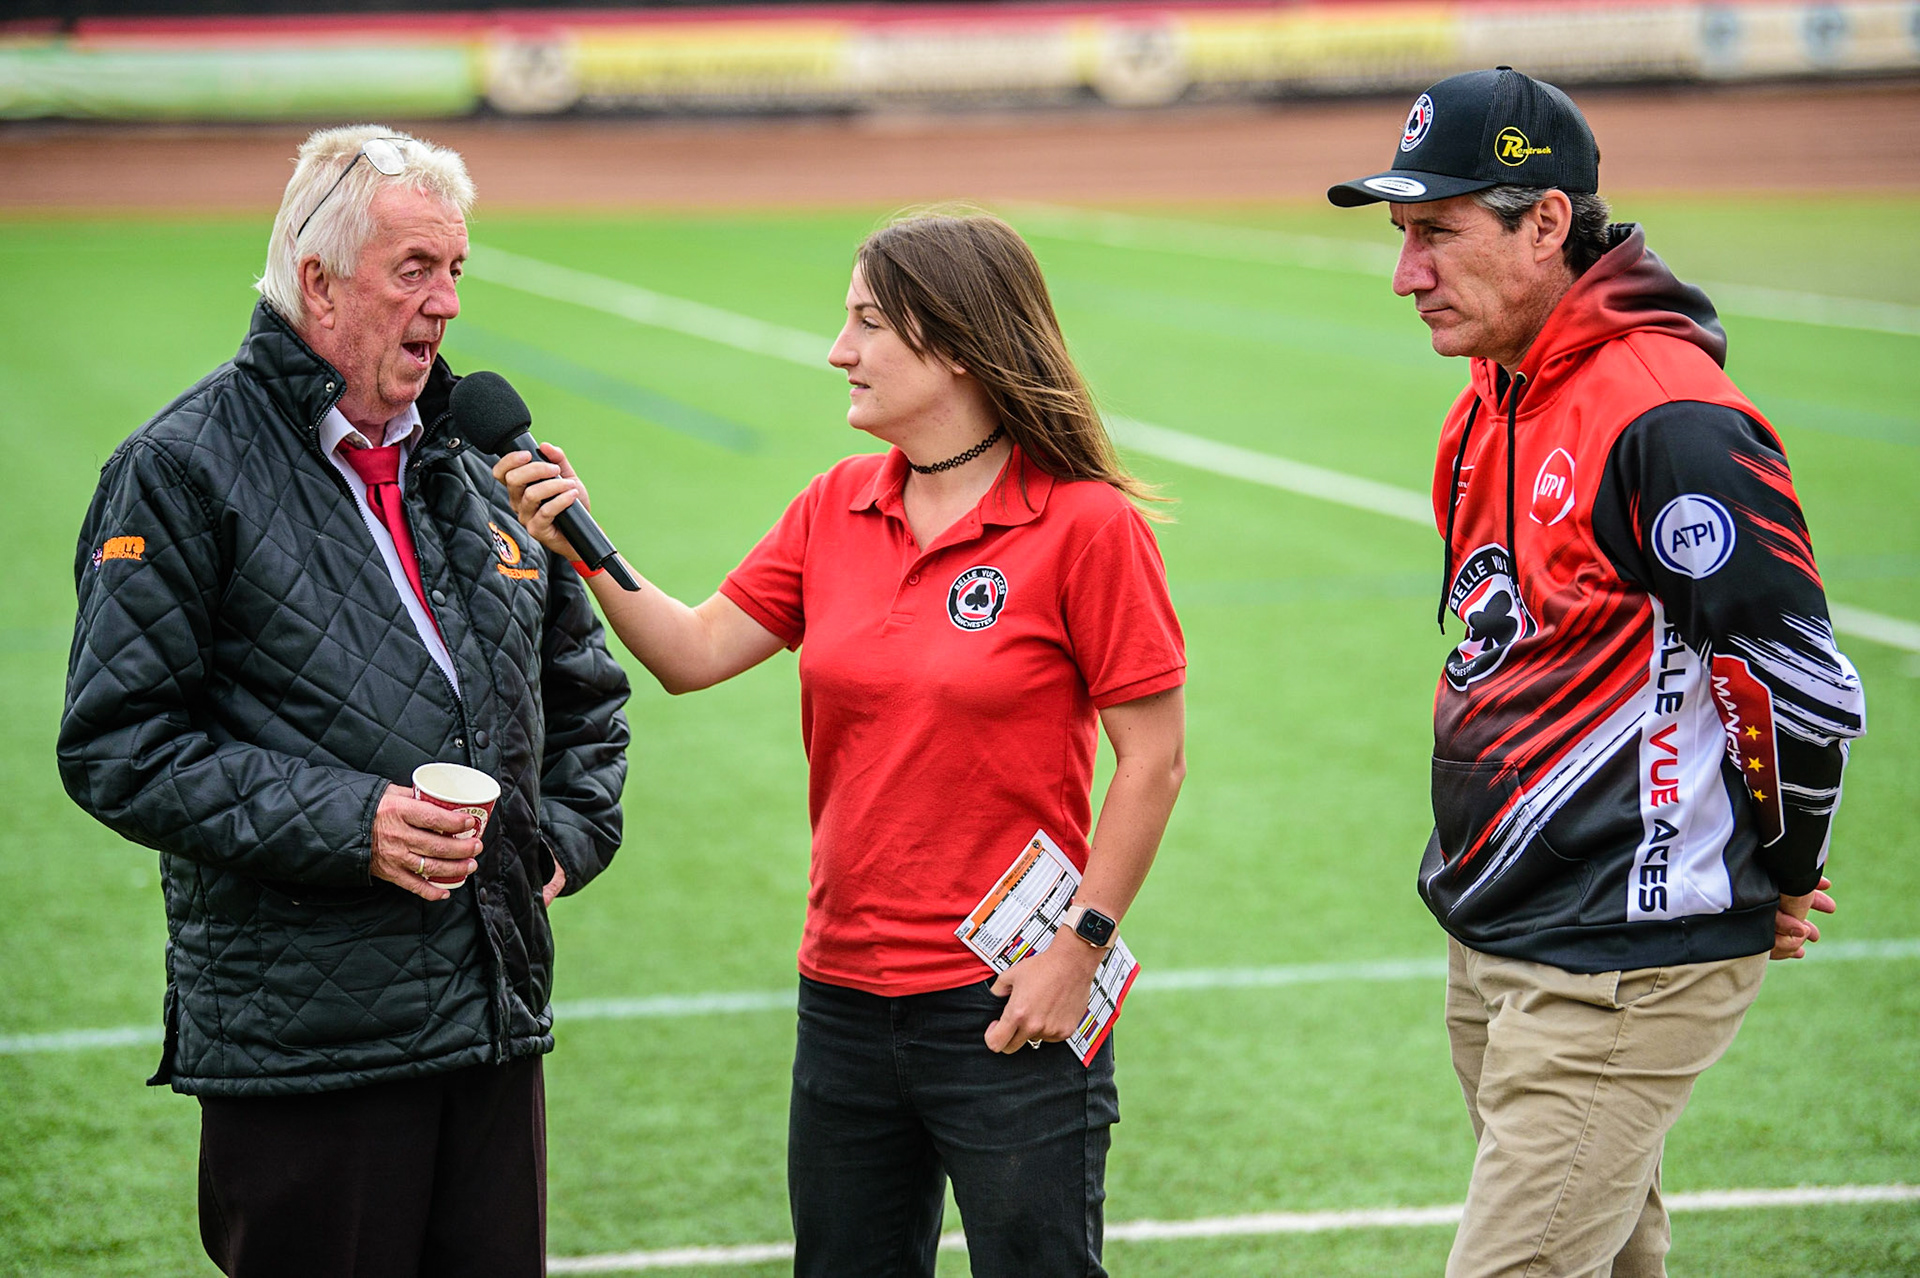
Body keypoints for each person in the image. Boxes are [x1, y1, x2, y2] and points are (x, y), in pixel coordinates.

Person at [494, 210, 1186, 1277]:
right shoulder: (832, 507)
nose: (838, 350)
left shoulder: (1087, 526)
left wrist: (1078, 948)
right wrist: (582, 538)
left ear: (951, 343)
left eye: (866, 323)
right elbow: (692, 651)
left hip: (1011, 998)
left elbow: (1155, 759)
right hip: (845, 1001)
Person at [57, 125, 631, 1278]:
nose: (447, 303)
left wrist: (560, 840)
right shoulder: (180, 468)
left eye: (456, 270)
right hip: (309, 1044)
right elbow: (119, 744)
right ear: (315, 282)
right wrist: (352, 823)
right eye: (414, 270)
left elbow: (587, 695)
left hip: (491, 1019)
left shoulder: (478, 467)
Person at [1327, 69, 1867, 1277]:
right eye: (1402, 236)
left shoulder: (1669, 419)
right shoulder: (1490, 400)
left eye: (1436, 233)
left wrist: (1780, 870)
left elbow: (1799, 678)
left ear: (1548, 223)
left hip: (1616, 960)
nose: (1406, 272)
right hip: (1500, 932)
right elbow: (1492, 646)